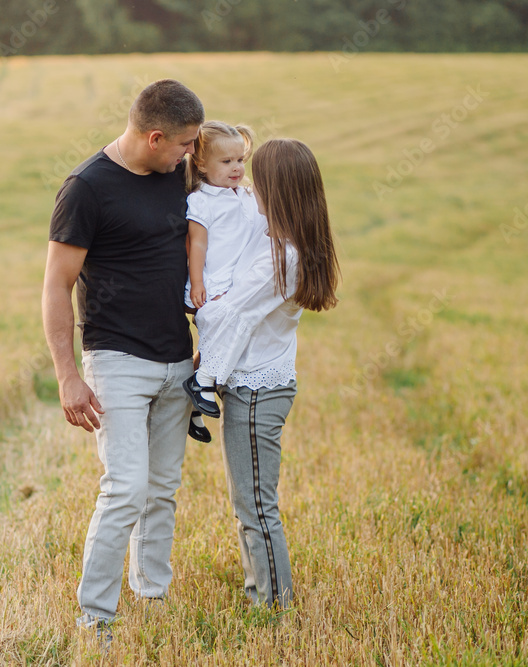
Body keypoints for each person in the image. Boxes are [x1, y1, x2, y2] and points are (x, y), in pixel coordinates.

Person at [42, 79, 204, 638]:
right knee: (126, 488)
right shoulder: (87, 188)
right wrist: (68, 376)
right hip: (115, 359)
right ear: (155, 137)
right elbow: (55, 286)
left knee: (162, 488)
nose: (192, 155)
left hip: (176, 359)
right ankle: (95, 618)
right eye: (185, 144)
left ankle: (152, 596)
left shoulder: (176, 175)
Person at [183, 138, 340, 609]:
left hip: (256, 389)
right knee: (248, 503)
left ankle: (273, 608)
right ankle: (263, 597)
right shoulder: (276, 240)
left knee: (255, 506)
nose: (248, 183)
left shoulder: (285, 256)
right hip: (249, 382)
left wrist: (196, 304)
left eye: (258, 178)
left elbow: (229, 314)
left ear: (279, 189)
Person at [180, 121, 258, 440]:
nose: (236, 168)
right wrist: (197, 283)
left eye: (240, 160)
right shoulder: (203, 200)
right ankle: (202, 385)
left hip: (236, 282)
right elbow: (196, 244)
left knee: (221, 341)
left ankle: (194, 404)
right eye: (226, 162)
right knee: (220, 334)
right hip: (213, 283)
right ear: (200, 163)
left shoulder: (244, 194)